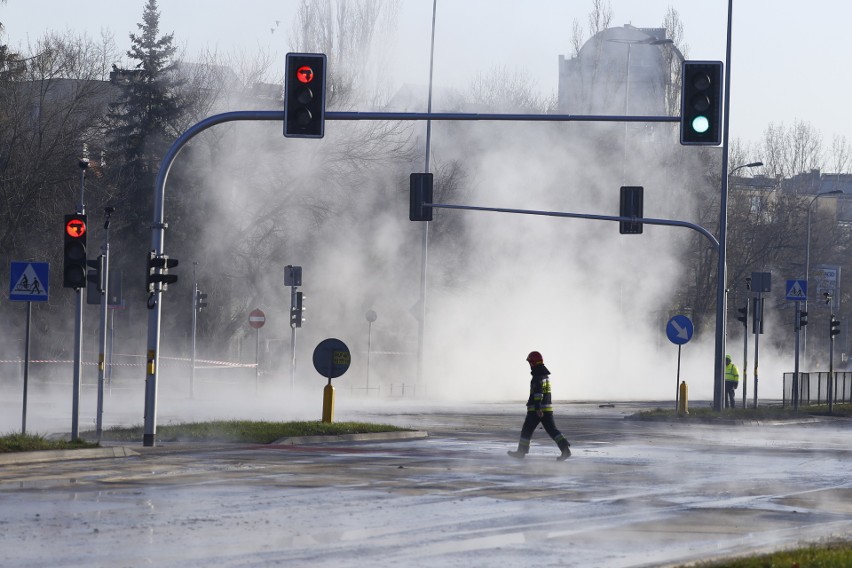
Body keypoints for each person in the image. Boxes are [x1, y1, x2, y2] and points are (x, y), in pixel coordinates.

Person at [508, 351, 571, 461]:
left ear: (533, 362)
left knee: (526, 430)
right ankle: (565, 450)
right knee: (553, 431)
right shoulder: (545, 375)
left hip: (536, 410)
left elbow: (538, 393)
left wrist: (537, 408)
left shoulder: (537, 376)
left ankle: (521, 452)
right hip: (548, 409)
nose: (529, 365)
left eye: (530, 362)